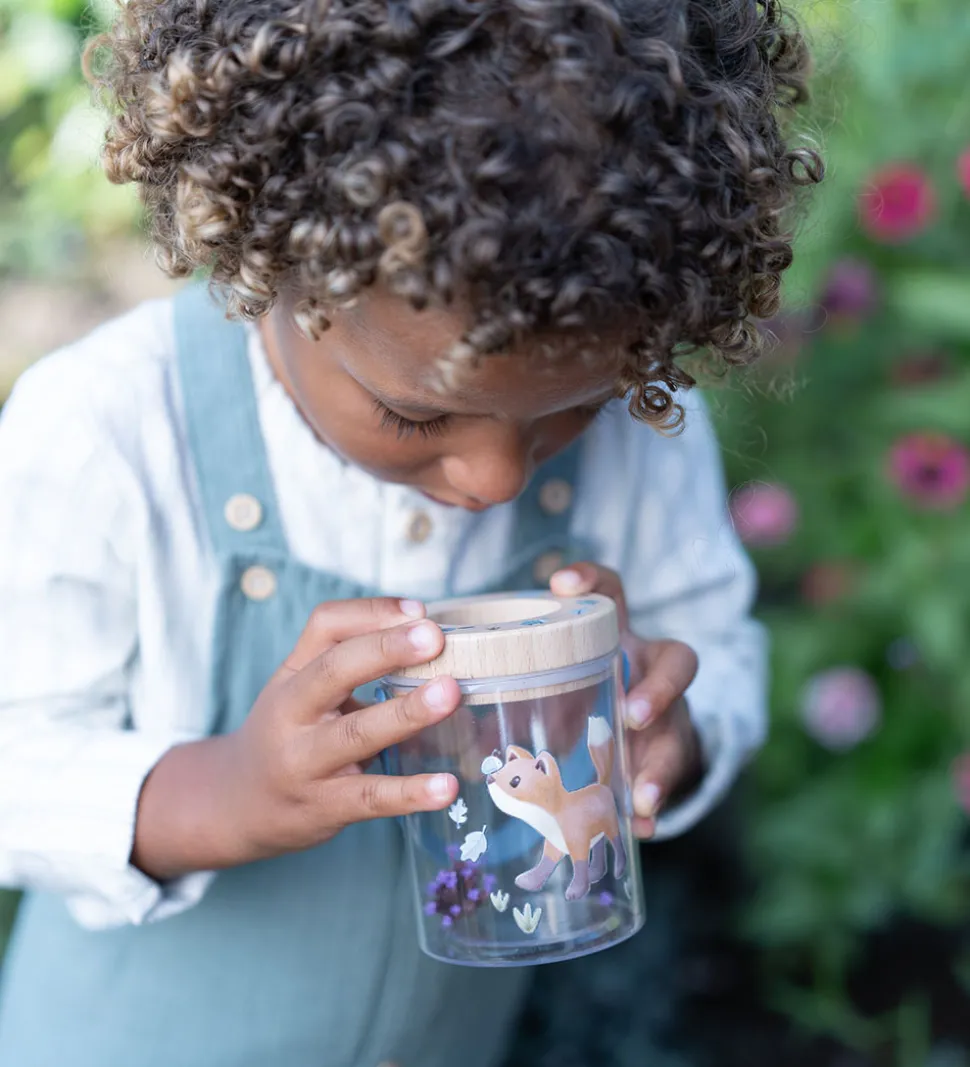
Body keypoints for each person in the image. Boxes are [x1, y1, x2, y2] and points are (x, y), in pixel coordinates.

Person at [0, 0, 821, 1064]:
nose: (491, 478)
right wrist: (225, 788)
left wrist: (673, 725)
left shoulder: (641, 435)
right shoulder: (111, 432)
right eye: (414, 415)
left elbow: (716, 638)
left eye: (565, 410)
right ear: (274, 257)